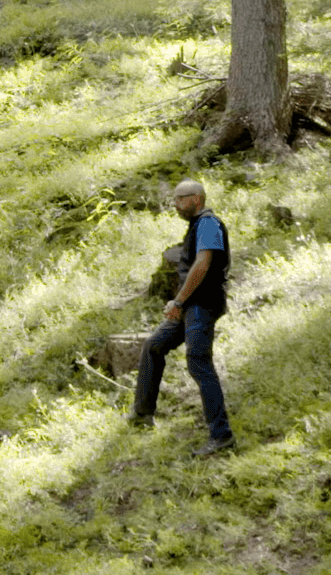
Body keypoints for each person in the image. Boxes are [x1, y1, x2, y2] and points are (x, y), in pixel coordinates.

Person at [128, 179, 234, 456]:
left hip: (202, 304)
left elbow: (203, 264)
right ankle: (142, 415)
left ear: (196, 199)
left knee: (198, 363)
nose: (175, 204)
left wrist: (179, 300)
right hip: (191, 305)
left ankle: (221, 435)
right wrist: (181, 303)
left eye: (180, 198)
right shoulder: (197, 225)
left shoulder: (209, 224)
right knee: (154, 345)